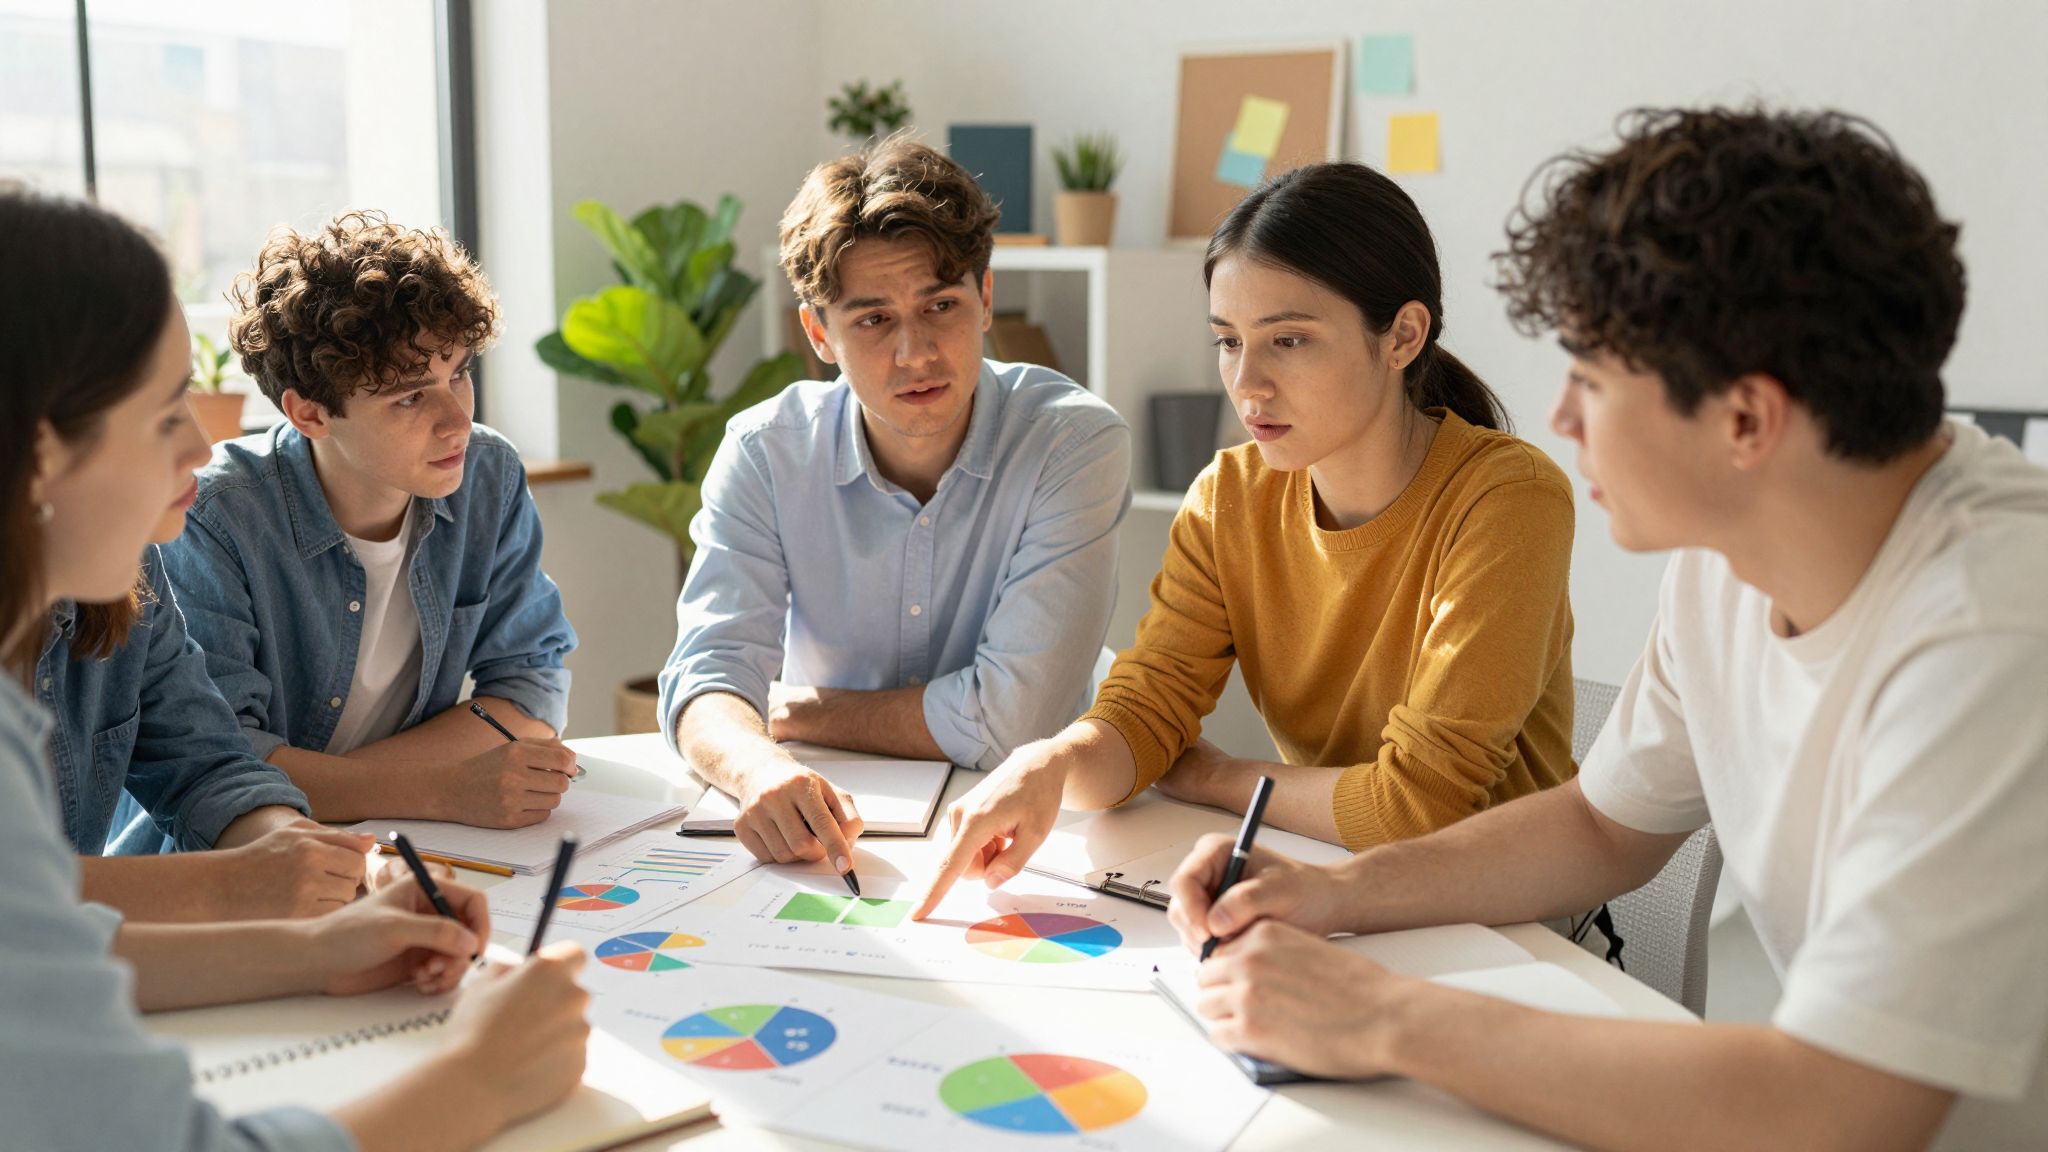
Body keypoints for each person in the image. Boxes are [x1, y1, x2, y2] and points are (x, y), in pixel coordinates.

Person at [1166, 106, 2048, 1151]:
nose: (1562, 417)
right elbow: (1600, 826)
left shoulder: (1992, 629)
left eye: (1591, 377)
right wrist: (1330, 893)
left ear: (1744, 421)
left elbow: (1842, 1106)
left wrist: (1375, 1013)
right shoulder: (1725, 558)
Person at [1, 187, 590, 1152]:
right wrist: (480, 1080)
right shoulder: (217, 518)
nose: (200, 440)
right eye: (161, 417)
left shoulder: (117, 575)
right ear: (35, 454)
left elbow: (196, 774)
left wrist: (314, 935)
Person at [916, 161, 1576, 916]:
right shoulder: (1229, 498)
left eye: (1289, 341)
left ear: (1402, 336)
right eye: (1228, 341)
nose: (1249, 382)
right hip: (1332, 888)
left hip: (1506, 924)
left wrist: (1215, 777)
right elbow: (1147, 713)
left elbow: (1419, 807)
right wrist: (1048, 764)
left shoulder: (1507, 499)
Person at [660, 136, 1131, 871]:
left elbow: (1015, 725)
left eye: (940, 305)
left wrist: (795, 712)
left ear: (985, 301)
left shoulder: (1072, 442)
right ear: (819, 333)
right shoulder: (765, 453)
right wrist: (758, 767)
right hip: (834, 818)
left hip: (1040, 831)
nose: (916, 354)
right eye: (873, 319)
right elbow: (706, 680)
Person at [161, 211, 580, 829]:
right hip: (240, 859)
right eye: (410, 395)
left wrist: (367, 788)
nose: (456, 421)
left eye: (457, 374)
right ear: (309, 415)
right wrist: (437, 788)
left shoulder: (487, 474)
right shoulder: (218, 514)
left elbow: (531, 685)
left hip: (398, 838)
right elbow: (222, 763)